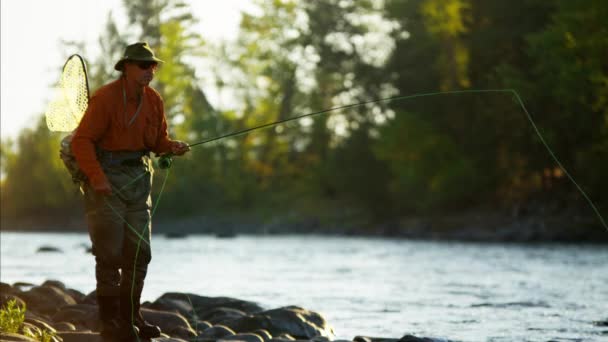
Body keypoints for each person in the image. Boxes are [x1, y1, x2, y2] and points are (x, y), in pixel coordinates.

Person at [71, 42, 190, 341]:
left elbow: (158, 140)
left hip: (139, 181)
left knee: (140, 254)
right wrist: (97, 178)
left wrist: (171, 147)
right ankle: (110, 323)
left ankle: (131, 318)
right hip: (106, 181)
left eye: (152, 66)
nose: (149, 71)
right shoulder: (106, 98)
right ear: (126, 68)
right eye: (142, 65)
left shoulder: (154, 100)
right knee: (109, 255)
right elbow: (82, 141)